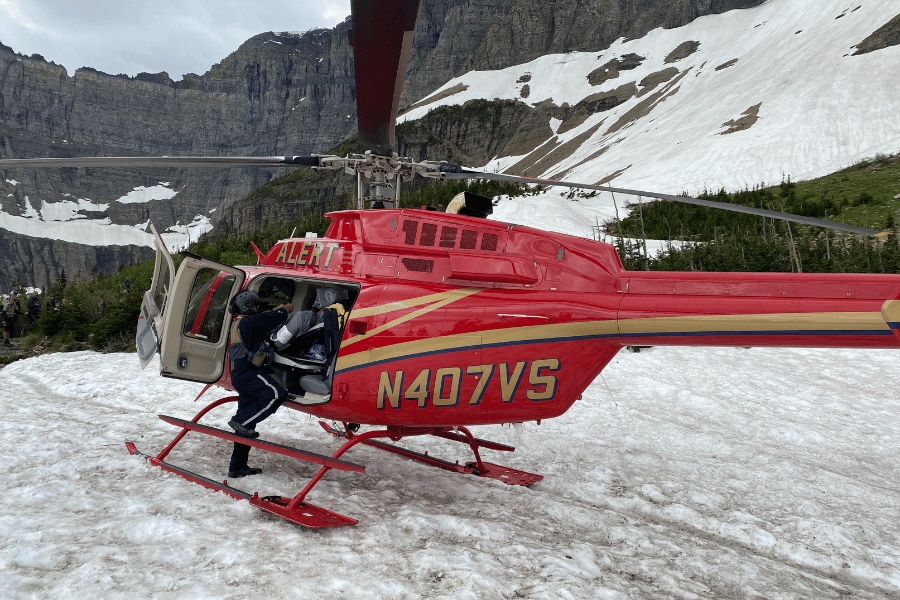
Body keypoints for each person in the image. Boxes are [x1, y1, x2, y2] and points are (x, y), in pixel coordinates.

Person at [225, 290, 293, 478]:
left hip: (242, 374)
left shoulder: (241, 322)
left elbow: (264, 319)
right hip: (249, 373)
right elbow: (269, 319)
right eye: (255, 305)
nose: (257, 309)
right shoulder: (248, 322)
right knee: (276, 394)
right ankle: (240, 422)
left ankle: (237, 466)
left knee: (248, 426)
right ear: (249, 306)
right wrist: (283, 310)